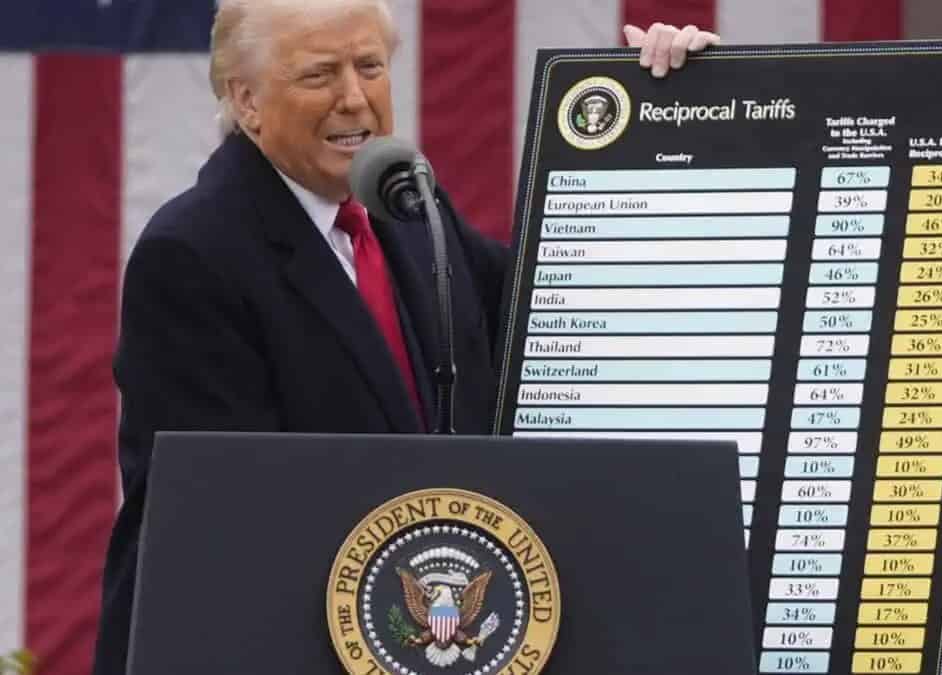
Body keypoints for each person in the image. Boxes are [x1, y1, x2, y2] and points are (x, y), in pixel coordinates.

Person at [90, 1, 719, 673]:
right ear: (247, 101)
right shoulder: (193, 254)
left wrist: (666, 112)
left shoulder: (411, 211)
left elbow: (566, 312)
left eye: (369, 67)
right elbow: (224, 519)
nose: (354, 98)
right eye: (320, 74)